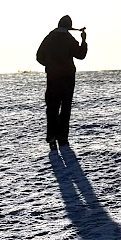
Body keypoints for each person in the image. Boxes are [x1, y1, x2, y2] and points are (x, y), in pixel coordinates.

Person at [35, 15, 87, 150]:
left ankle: (51, 136)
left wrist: (50, 65)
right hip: (68, 78)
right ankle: (63, 138)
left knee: (52, 107)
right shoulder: (69, 39)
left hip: (53, 77)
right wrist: (84, 41)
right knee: (65, 108)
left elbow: (39, 56)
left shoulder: (49, 37)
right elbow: (81, 55)